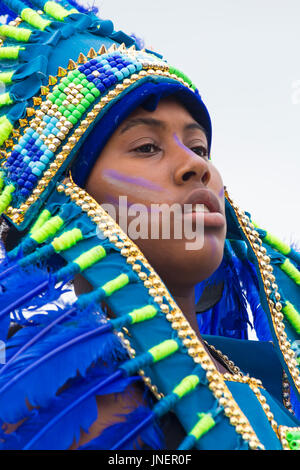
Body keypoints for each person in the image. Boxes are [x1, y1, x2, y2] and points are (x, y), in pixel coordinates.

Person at [0, 0, 299, 451]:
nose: (195, 167)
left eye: (200, 146)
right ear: (67, 200)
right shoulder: (36, 395)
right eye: (146, 147)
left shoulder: (277, 373)